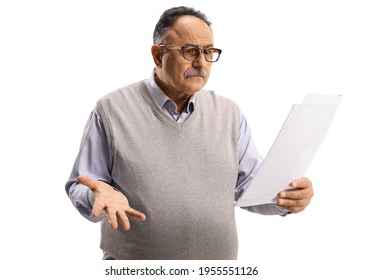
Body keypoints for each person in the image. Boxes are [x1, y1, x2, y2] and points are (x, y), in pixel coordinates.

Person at [65, 6, 314, 260]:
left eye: (208, 52)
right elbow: (81, 184)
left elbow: (249, 186)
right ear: (158, 55)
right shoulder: (111, 110)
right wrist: (94, 197)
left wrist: (286, 198)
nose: (201, 62)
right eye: (190, 51)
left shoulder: (229, 114)